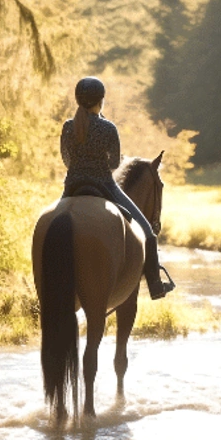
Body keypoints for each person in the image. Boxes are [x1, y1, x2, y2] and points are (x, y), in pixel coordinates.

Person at [60, 76, 175, 300]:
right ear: (100, 100)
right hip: (104, 184)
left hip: (72, 186)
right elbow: (113, 164)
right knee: (148, 233)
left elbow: (66, 159)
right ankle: (155, 285)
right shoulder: (108, 127)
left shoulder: (68, 126)